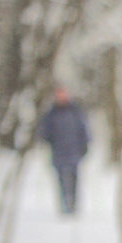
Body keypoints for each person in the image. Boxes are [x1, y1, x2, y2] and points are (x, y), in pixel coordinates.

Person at [37, 86, 90, 215]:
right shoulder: (51, 114)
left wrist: (85, 145)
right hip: (58, 152)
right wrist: (45, 139)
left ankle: (73, 204)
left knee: (73, 179)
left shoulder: (75, 112)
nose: (61, 97)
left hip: (74, 151)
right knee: (60, 180)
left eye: (63, 95)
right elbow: (44, 132)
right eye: (59, 95)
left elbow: (83, 129)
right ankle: (63, 205)